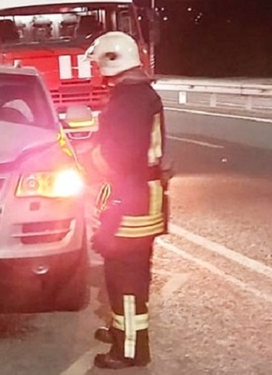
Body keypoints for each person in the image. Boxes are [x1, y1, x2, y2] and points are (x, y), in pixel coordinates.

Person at [84, 31, 171, 370]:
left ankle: (131, 350)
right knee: (122, 274)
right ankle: (123, 332)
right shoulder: (136, 94)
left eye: (97, 65)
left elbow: (121, 157)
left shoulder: (129, 101)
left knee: (127, 279)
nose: (95, 73)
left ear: (111, 62)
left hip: (131, 200)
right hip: (135, 196)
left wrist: (91, 160)